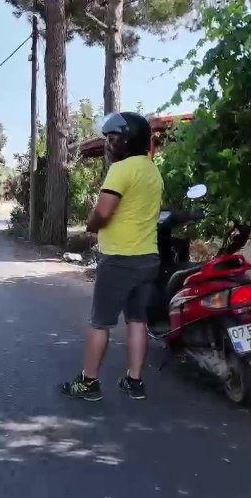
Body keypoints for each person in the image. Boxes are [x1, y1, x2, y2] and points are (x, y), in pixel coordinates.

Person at [61, 112, 163, 402]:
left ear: (127, 140)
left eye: (112, 138)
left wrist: (90, 227)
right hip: (147, 258)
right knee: (137, 321)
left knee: (100, 322)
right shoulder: (151, 170)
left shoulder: (121, 170)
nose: (107, 144)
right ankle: (134, 381)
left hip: (119, 258)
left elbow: (103, 213)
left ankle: (89, 383)